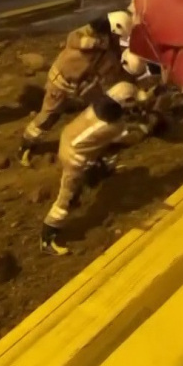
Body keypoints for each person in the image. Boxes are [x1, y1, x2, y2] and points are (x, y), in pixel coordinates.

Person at [41, 81, 152, 256]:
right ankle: (48, 235)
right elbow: (130, 139)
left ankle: (101, 170)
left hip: (68, 139)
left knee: (103, 150)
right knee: (67, 198)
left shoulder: (96, 108)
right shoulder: (114, 127)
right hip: (75, 159)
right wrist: (145, 126)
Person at [17, 10, 133, 167]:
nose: (120, 40)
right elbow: (73, 38)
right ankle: (26, 145)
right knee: (49, 116)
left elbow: (114, 66)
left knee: (99, 109)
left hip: (82, 86)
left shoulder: (110, 48)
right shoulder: (88, 35)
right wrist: (93, 43)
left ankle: (99, 146)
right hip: (61, 83)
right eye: (119, 36)